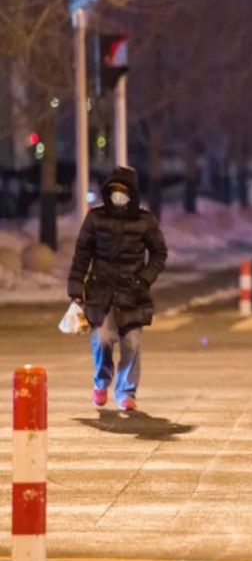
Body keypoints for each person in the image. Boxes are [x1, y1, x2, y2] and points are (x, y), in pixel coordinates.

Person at [67, 166, 168, 411]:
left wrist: (144, 279)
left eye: (124, 191)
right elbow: (82, 254)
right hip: (100, 294)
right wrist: (76, 287)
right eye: (115, 191)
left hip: (133, 294)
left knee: (132, 343)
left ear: (132, 194)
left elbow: (159, 253)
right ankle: (101, 383)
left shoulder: (145, 220)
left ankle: (126, 391)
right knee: (101, 341)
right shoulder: (95, 218)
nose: (119, 195)